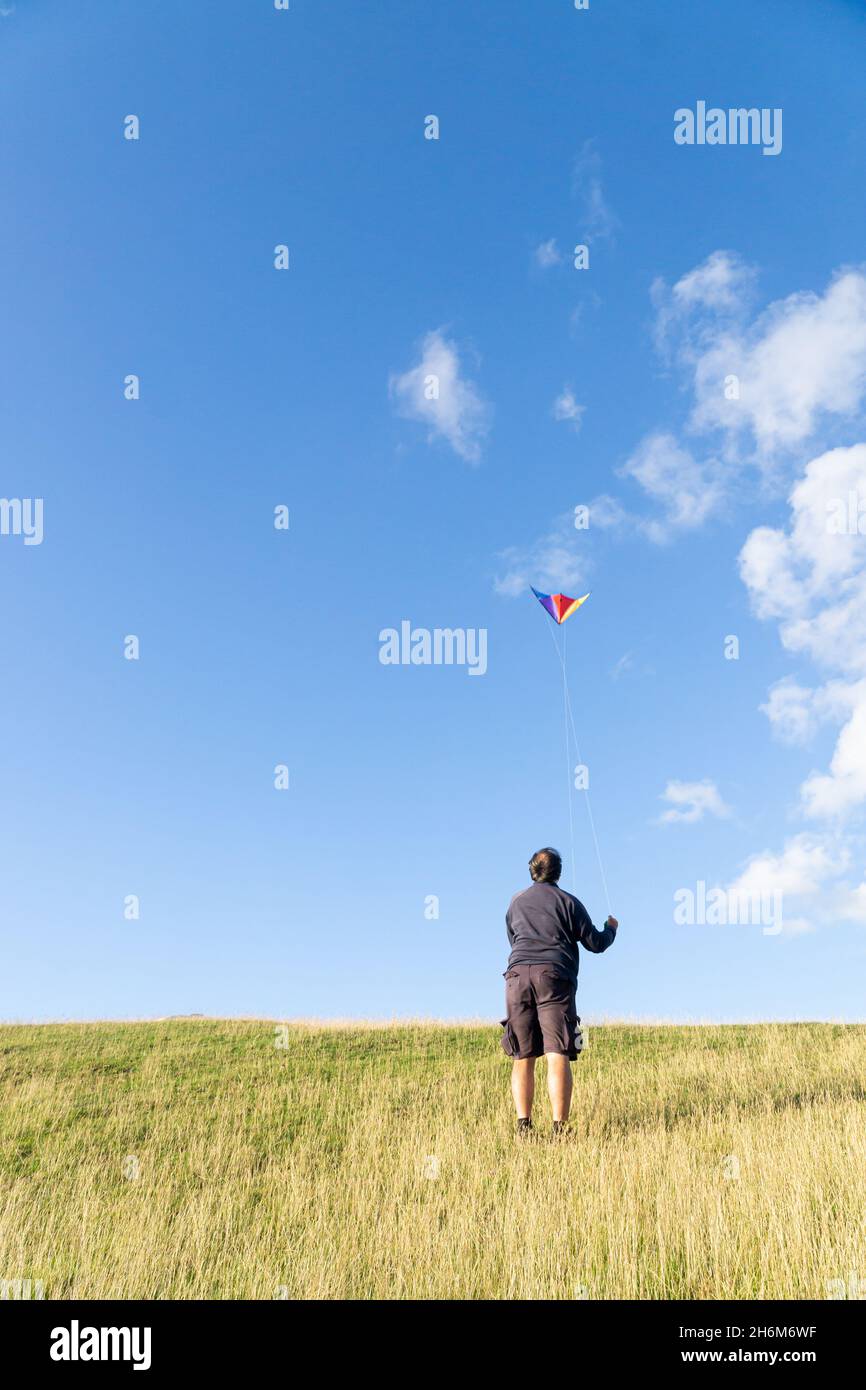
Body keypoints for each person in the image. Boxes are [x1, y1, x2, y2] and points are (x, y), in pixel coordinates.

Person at [500, 847, 618, 1136]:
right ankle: (559, 1129)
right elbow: (595, 943)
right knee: (557, 1051)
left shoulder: (515, 903)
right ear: (558, 872)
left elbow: (512, 939)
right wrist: (611, 929)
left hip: (515, 977)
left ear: (532, 871)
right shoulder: (569, 902)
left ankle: (523, 1127)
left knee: (522, 1055)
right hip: (554, 977)